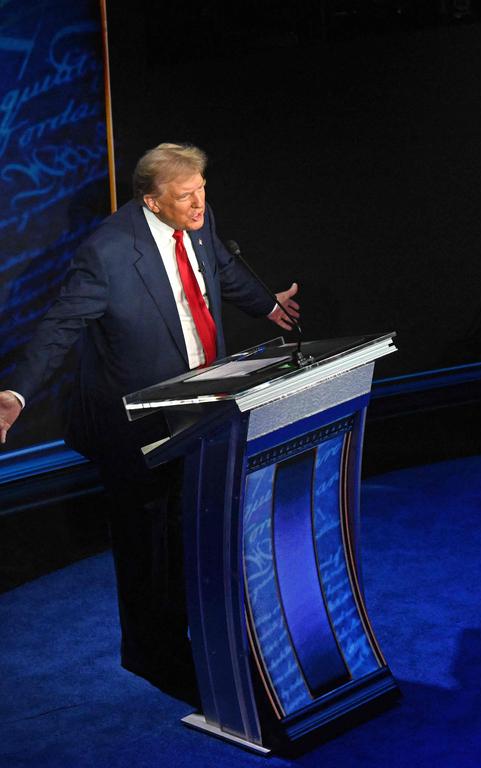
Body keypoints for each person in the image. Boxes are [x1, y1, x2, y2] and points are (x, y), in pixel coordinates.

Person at [0, 142, 299, 702]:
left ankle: (192, 637)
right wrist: (15, 394)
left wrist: (266, 305)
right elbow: (60, 325)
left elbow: (222, 271)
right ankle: (149, 654)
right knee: (147, 543)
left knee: (190, 529)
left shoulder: (199, 221)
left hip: (203, 405)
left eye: (203, 190)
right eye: (186, 196)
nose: (200, 204)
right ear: (152, 202)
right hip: (134, 422)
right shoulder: (109, 252)